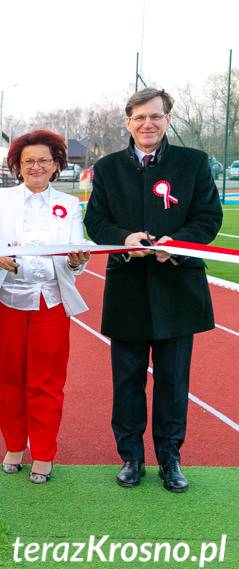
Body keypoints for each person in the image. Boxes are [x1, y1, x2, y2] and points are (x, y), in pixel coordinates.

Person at [84, 88, 223, 493]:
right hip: (128, 288)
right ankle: (131, 457)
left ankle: (169, 458)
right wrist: (124, 237)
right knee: (127, 380)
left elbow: (207, 218)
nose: (148, 124)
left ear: (167, 120)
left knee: (173, 380)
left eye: (156, 117)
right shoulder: (108, 168)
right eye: (140, 117)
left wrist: (174, 245)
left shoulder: (193, 163)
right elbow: (96, 222)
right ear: (127, 121)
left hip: (177, 289)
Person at [0, 130, 91, 484]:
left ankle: (43, 452)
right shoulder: (0, 201)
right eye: (28, 161)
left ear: (55, 165)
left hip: (49, 302)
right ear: (17, 167)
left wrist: (76, 260)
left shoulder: (68, 205)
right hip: (8, 301)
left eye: (43, 160)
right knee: (10, 378)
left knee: (47, 381)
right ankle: (13, 445)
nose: (35, 166)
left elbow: (77, 250)